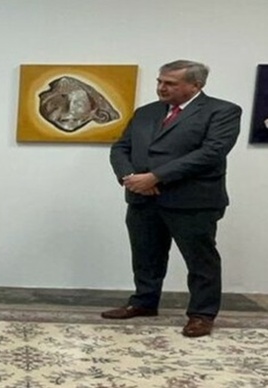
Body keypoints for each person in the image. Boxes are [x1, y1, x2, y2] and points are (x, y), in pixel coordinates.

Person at [101, 60, 242, 338]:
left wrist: (156, 177)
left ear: (196, 85)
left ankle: (201, 314)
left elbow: (210, 153)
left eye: (170, 83)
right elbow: (121, 147)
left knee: (200, 261)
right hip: (142, 198)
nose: (161, 88)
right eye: (159, 81)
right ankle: (144, 302)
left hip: (193, 201)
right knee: (146, 256)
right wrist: (130, 177)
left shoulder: (222, 111)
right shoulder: (146, 112)